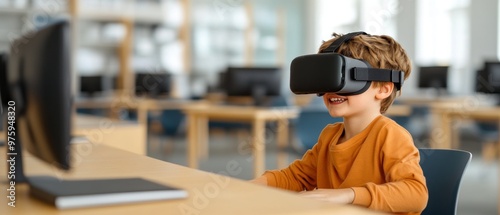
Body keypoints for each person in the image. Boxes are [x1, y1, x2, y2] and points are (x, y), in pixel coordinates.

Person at [251, 32, 428, 215]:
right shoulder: (330, 136)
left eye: (346, 79)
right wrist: (250, 186)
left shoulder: (390, 135)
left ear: (383, 89)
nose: (333, 90)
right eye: (330, 79)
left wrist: (349, 195)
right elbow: (296, 178)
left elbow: (416, 194)